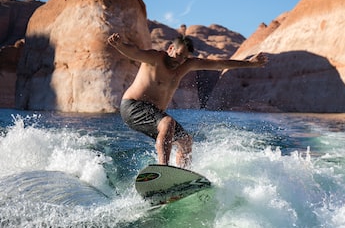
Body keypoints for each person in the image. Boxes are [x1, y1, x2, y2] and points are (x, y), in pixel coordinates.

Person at [107, 32, 267, 168]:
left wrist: (249, 63)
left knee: (185, 141)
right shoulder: (155, 58)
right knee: (168, 123)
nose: (180, 60)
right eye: (178, 55)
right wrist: (119, 45)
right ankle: (164, 171)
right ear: (171, 49)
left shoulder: (187, 64)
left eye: (185, 57)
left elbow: (218, 63)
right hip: (132, 106)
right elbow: (134, 52)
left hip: (152, 112)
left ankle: (180, 177)